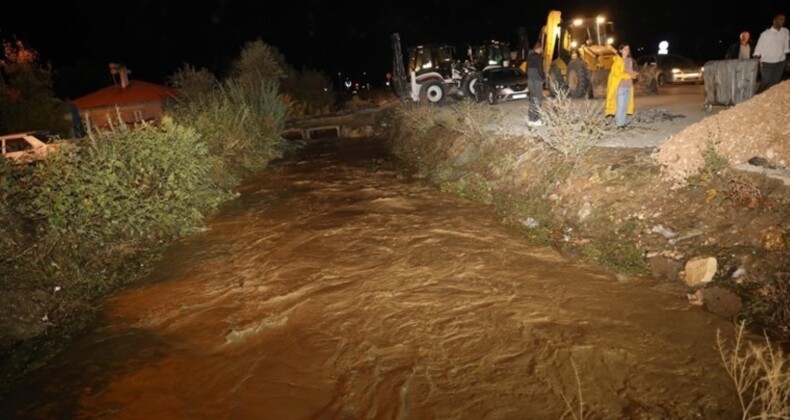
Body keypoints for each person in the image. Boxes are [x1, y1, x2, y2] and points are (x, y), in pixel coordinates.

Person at [753, 13, 790, 92]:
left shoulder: (786, 31)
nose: (783, 21)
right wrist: (756, 56)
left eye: (784, 19)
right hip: (767, 61)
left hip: (780, 61)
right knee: (766, 81)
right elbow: (759, 47)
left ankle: (767, 98)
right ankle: (756, 95)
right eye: (780, 19)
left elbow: (786, 45)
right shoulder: (765, 34)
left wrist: (786, 58)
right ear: (774, 21)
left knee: (774, 83)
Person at [605, 43, 638, 128]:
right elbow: (617, 73)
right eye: (625, 49)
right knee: (620, 106)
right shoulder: (617, 61)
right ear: (620, 51)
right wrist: (629, 75)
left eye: (628, 49)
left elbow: (629, 72)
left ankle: (622, 123)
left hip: (628, 86)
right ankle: (619, 124)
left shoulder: (629, 60)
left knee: (625, 106)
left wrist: (634, 74)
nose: (627, 51)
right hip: (620, 86)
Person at [526, 41, 545, 126]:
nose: (542, 50)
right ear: (539, 48)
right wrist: (543, 77)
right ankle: (537, 120)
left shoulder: (529, 57)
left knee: (532, 100)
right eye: (542, 48)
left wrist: (530, 76)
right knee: (537, 100)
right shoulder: (539, 57)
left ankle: (531, 120)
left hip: (530, 80)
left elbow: (526, 69)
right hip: (537, 81)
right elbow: (540, 70)